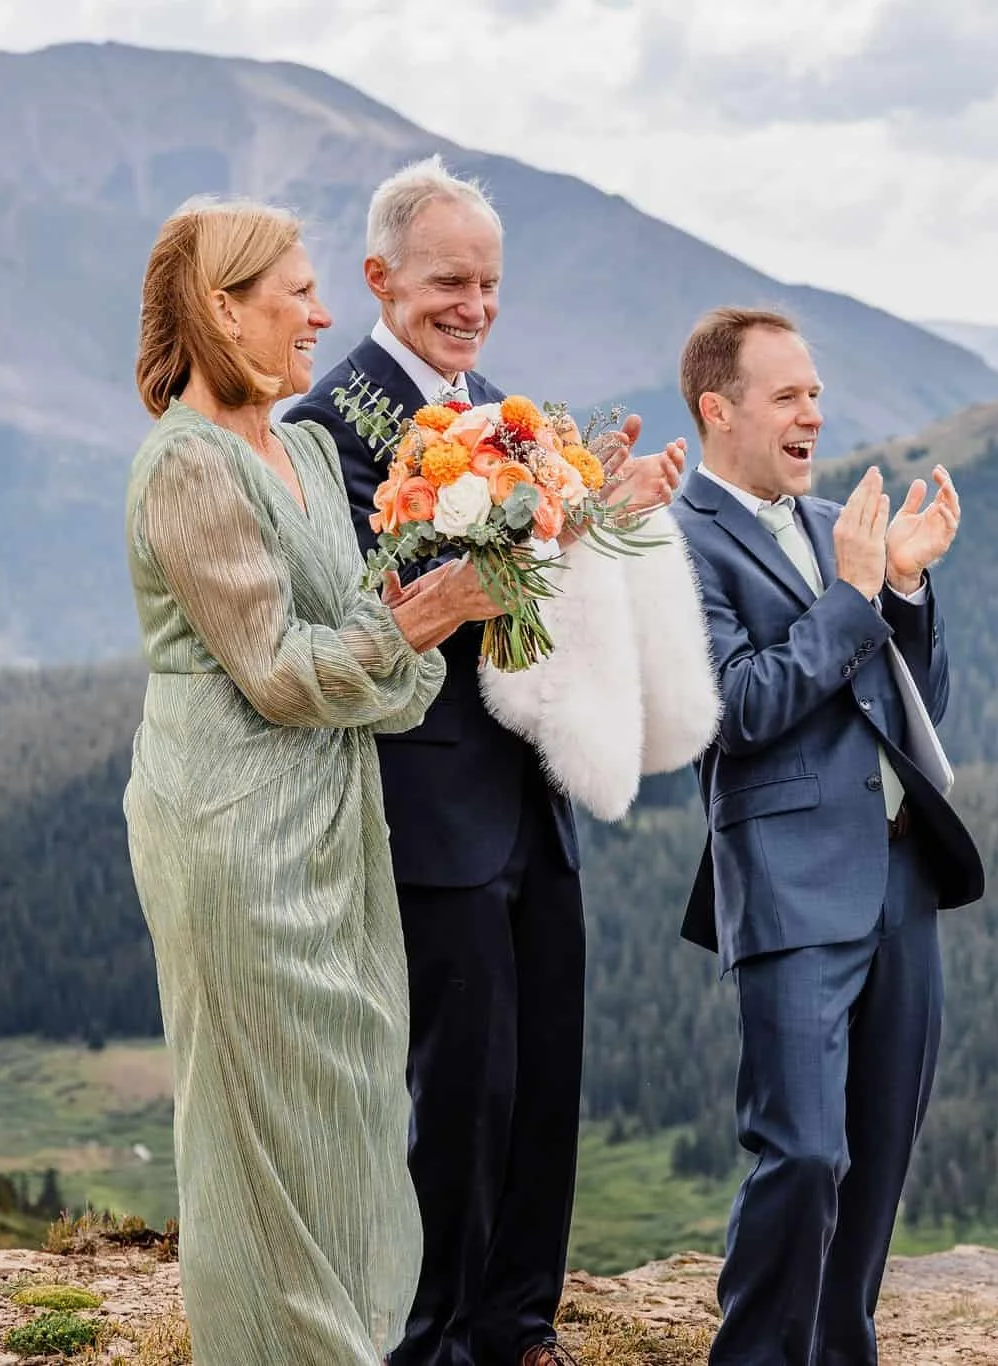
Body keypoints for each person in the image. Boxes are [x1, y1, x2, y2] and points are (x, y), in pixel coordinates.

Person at [286, 156, 686, 1366]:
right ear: (379, 277)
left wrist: (601, 511)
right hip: (424, 797)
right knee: (456, 1095)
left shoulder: (506, 412)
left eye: (489, 283)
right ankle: (437, 1339)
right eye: (449, 279)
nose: (473, 303)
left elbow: (550, 581)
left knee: (541, 1077)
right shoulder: (327, 425)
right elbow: (359, 595)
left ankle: (521, 1324)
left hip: (528, 787)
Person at [122, 196, 501, 1365]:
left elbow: (355, 646)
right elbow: (286, 673)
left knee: (346, 1103)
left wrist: (395, 645)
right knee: (259, 1118)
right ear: (222, 308)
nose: (323, 315)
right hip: (229, 829)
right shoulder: (186, 469)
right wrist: (419, 627)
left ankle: (348, 1340)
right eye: (298, 293)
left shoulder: (308, 447)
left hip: (335, 818)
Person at [669, 307, 985, 1365]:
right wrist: (854, 592)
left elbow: (909, 701)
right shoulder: (675, 542)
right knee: (802, 1152)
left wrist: (900, 587)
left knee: (877, 1155)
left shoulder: (827, 522)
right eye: (787, 395)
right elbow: (732, 707)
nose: (813, 412)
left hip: (899, 875)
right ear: (719, 410)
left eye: (814, 391)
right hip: (789, 884)